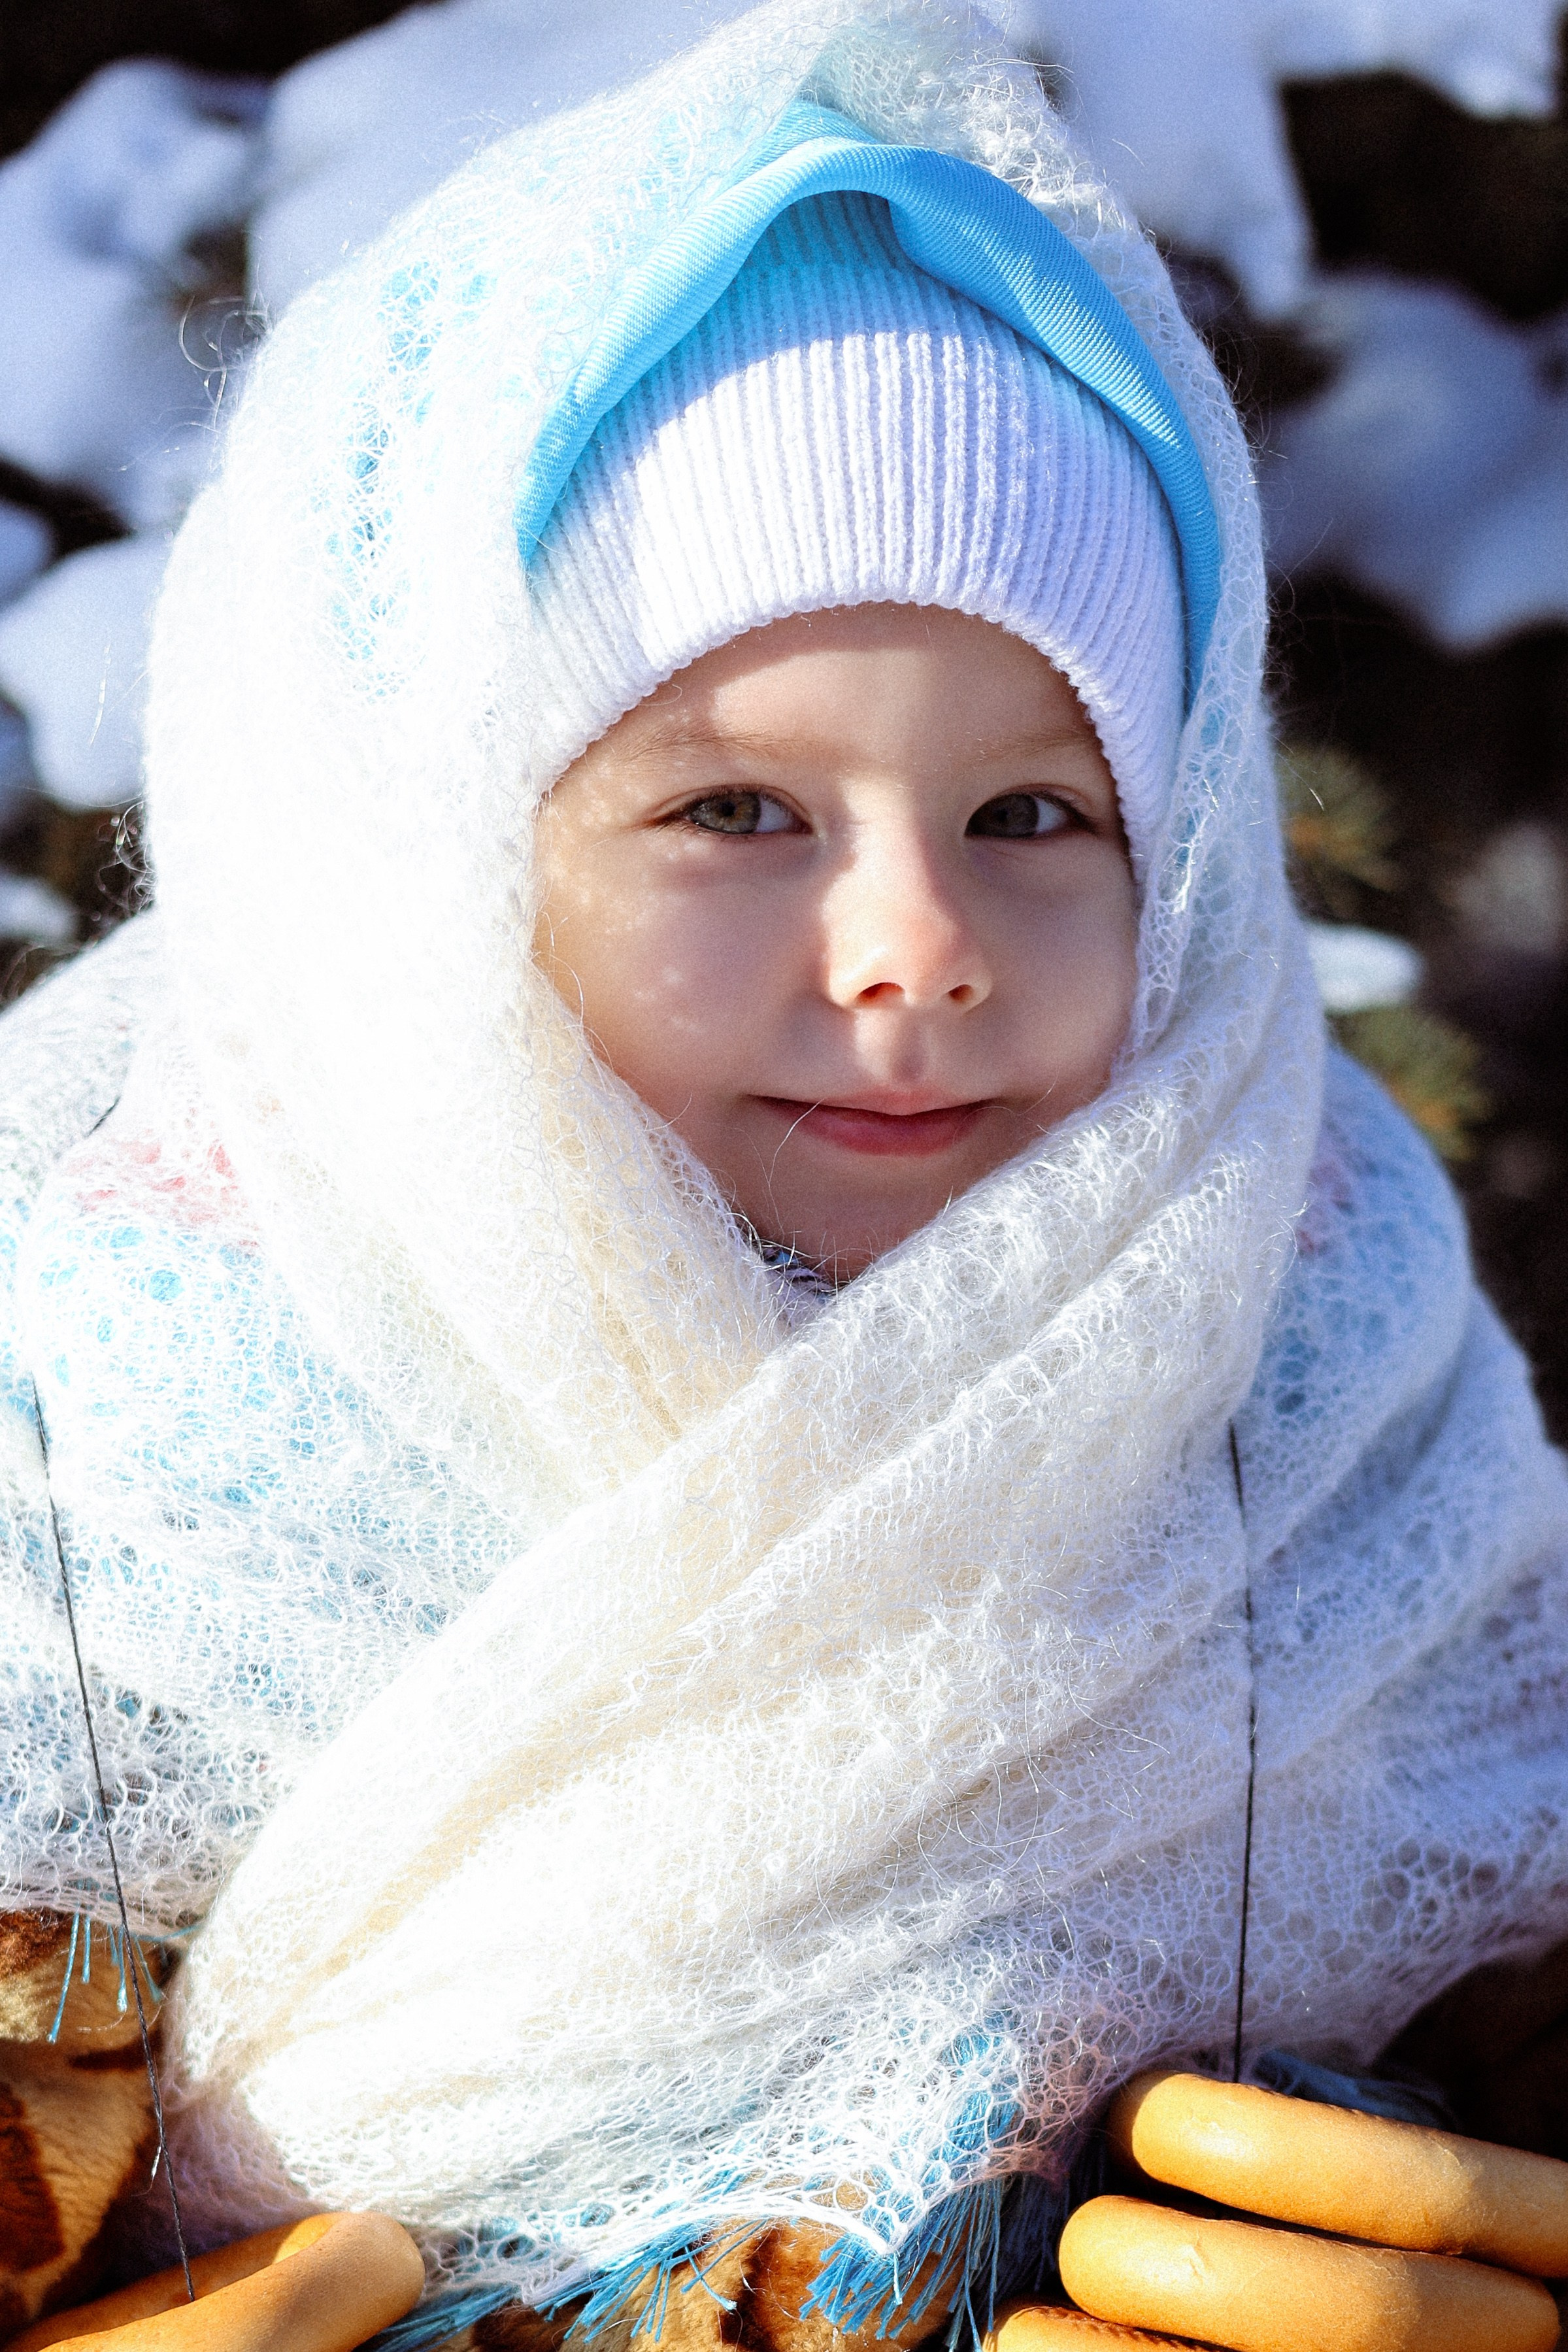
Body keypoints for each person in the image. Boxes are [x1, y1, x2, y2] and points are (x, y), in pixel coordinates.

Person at [1, 3, 1566, 2347]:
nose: (920, 948)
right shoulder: (103, 1443)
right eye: (735, 809)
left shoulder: (1332, 1369)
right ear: (427, 868)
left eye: (1037, 813)